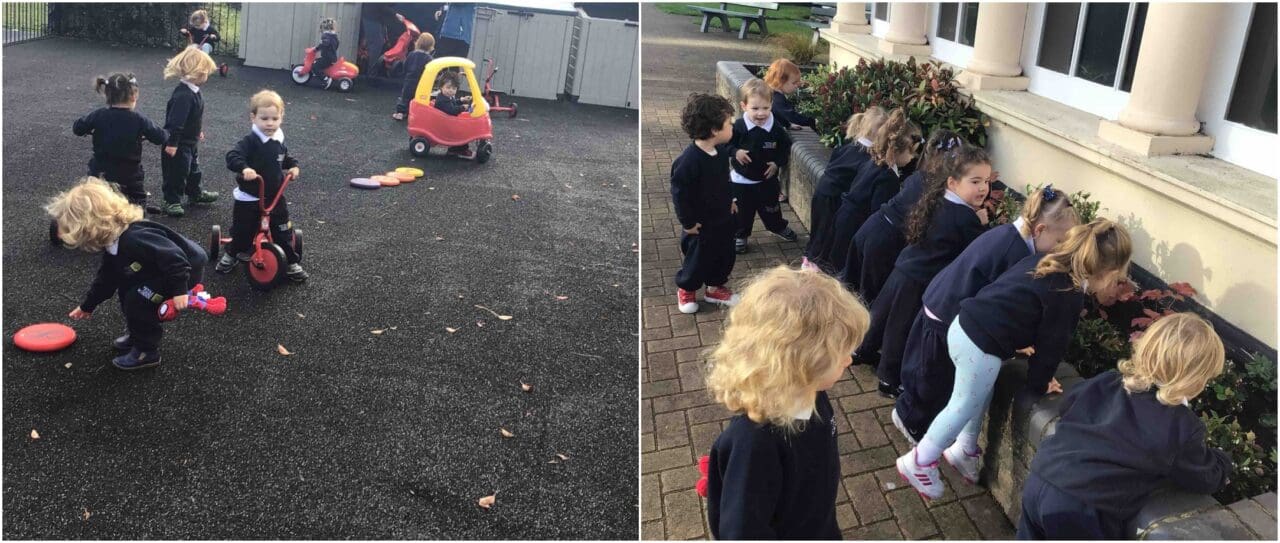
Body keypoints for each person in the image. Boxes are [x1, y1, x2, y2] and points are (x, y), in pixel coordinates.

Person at [896, 219, 1133, 500]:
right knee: (960, 406)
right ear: (1109, 271)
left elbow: (1011, 298)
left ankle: (964, 449)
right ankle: (919, 462)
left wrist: (1018, 340)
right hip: (981, 346)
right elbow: (1052, 346)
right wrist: (1039, 384)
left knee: (977, 394)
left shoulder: (1048, 260)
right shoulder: (1068, 293)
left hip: (964, 324)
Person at [1018, 313, 1233, 539]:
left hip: (1042, 476)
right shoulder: (1181, 426)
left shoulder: (1108, 381)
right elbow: (1203, 476)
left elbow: (1068, 406)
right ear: (1196, 380)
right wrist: (1223, 462)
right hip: (1083, 507)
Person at [893, 185, 1080, 445]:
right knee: (933, 379)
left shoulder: (1010, 237)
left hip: (945, 302)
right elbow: (998, 300)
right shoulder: (1015, 253)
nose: (1060, 249)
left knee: (932, 374)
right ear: (1040, 230)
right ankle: (911, 423)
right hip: (945, 313)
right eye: (1060, 242)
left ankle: (916, 416)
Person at [704, 266, 870, 539]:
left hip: (816, 521)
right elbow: (742, 531)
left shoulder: (813, 393)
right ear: (800, 364)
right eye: (840, 353)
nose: (849, 360)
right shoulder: (755, 445)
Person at [858, 142, 991, 397]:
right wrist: (981, 224)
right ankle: (888, 379)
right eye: (975, 181)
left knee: (882, 313)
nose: (983, 188)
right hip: (919, 280)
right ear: (953, 182)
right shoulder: (965, 218)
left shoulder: (938, 198)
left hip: (905, 267)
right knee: (901, 328)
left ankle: (863, 349)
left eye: (985, 180)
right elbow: (978, 251)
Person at [47, 177, 207, 370]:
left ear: (90, 226)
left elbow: (174, 258)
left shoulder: (135, 238)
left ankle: (146, 351)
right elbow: (107, 279)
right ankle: (137, 334)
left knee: (137, 301)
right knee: (126, 289)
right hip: (160, 268)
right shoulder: (113, 243)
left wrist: (180, 290)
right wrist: (88, 306)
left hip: (184, 270)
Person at [845, 130, 962, 301]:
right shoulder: (936, 188)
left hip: (871, 228)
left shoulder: (920, 176)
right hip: (884, 242)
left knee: (852, 289)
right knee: (868, 298)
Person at [219, 90, 307, 283]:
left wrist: (293, 166)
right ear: (253, 117)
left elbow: (283, 157)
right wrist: (245, 168)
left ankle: (291, 262)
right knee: (243, 231)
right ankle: (232, 254)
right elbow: (233, 156)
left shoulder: (278, 140)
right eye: (264, 118)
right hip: (250, 196)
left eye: (275, 118)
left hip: (275, 196)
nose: (270, 123)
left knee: (283, 231)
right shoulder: (249, 141)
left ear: (281, 118)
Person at [826, 108, 920, 275]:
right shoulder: (888, 178)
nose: (913, 157)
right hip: (855, 226)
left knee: (838, 265)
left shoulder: (874, 162)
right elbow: (877, 211)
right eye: (911, 152)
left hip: (844, 219)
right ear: (896, 150)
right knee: (845, 271)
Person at [670, 93, 739, 314]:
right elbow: (680, 194)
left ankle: (715, 287)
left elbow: (725, 180)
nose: (733, 127)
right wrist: (688, 223)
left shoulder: (720, 153)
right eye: (729, 124)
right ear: (714, 130)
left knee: (724, 255)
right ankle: (687, 288)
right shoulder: (689, 161)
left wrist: (732, 200)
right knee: (697, 259)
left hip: (722, 218)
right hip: (700, 225)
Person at [801, 107, 887, 274]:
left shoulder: (847, 147)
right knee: (828, 233)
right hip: (835, 200)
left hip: (822, 193)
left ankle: (811, 256)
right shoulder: (868, 158)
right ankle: (815, 265)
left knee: (818, 229)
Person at [73, 72, 168, 211]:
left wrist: (90, 129)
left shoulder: (98, 115)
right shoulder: (138, 119)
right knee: (136, 202)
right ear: (134, 96)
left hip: (100, 171)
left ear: (106, 95)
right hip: (129, 174)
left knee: (97, 201)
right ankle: (137, 217)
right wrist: (169, 132)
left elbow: (78, 128)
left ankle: (99, 224)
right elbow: (160, 137)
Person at [725, 78, 797, 255]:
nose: (760, 113)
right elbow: (725, 145)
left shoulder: (776, 129)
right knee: (742, 214)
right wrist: (735, 152)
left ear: (771, 105)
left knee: (771, 208)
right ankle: (740, 235)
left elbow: (785, 147)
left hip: (767, 179)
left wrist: (777, 163)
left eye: (765, 108)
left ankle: (777, 227)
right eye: (755, 108)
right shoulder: (739, 127)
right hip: (741, 181)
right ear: (744, 106)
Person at [160, 45, 219, 217]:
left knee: (193, 170)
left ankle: (195, 193)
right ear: (197, 72)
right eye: (205, 72)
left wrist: (197, 131)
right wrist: (172, 143)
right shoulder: (184, 96)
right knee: (176, 173)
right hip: (178, 144)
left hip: (189, 141)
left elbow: (192, 117)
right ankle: (170, 200)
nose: (207, 75)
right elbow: (175, 122)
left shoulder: (193, 92)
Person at [432, 71, 476, 159]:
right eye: (448, 87)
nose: (450, 90)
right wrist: (462, 107)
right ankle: (460, 150)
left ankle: (454, 149)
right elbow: (451, 110)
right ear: (441, 87)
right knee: (463, 130)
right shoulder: (442, 100)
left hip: (446, 120)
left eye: (454, 88)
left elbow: (453, 103)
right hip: (444, 124)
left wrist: (461, 100)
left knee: (461, 125)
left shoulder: (446, 97)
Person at [393, 32, 435, 121]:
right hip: (421, 83)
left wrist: (405, 74)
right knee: (419, 98)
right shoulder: (429, 58)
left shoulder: (411, 54)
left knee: (405, 97)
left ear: (418, 42)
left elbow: (405, 66)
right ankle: (415, 114)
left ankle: (400, 112)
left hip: (409, 80)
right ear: (431, 46)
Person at [764, 58, 814, 130]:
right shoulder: (776, 98)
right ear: (780, 81)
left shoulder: (771, 93)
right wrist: (811, 122)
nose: (797, 85)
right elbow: (789, 116)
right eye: (794, 83)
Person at [313, 17, 340, 89]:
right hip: (332, 57)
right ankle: (325, 76)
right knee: (317, 61)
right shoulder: (334, 36)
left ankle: (326, 79)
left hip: (327, 58)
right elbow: (336, 45)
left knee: (315, 66)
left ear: (324, 28)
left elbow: (324, 44)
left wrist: (316, 49)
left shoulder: (326, 36)